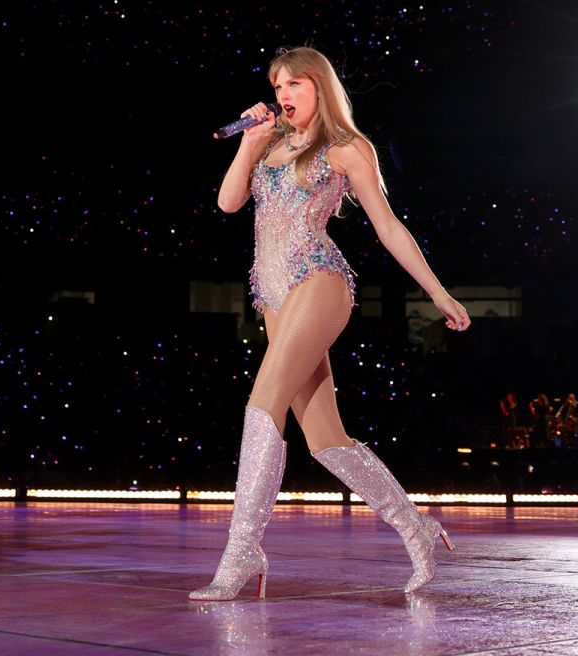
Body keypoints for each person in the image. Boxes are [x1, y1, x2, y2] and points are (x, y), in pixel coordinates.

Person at [190, 47, 471, 601]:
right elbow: (227, 202)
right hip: (271, 294)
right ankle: (416, 527)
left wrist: (437, 291)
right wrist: (248, 143)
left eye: (295, 83)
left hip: (318, 280)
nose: (284, 95)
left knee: (261, 401)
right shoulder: (267, 141)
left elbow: (389, 227)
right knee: (324, 440)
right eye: (277, 86)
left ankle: (241, 551)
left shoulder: (346, 149)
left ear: (320, 86)